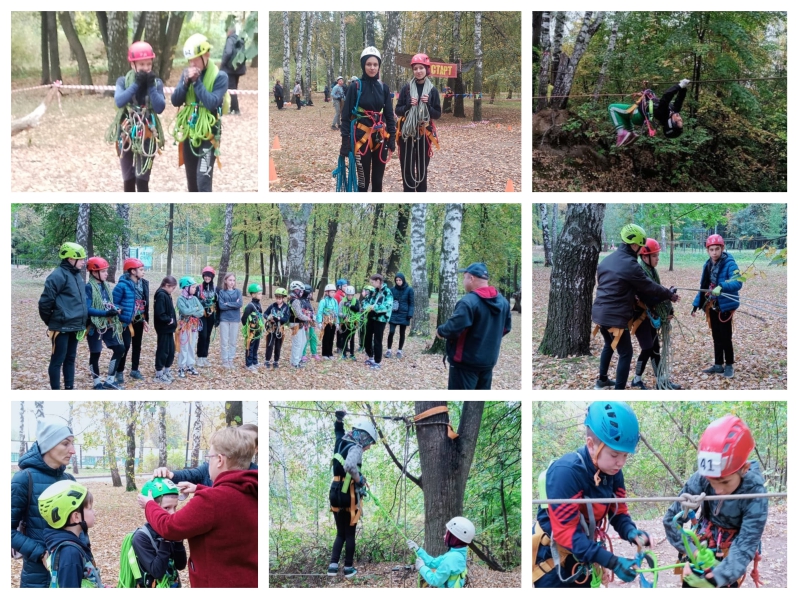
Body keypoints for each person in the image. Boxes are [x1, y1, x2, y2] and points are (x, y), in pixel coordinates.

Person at [532, 401, 648, 587]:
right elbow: (566, 533)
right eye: (615, 454)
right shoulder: (566, 472)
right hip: (553, 560)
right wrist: (612, 561)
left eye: (625, 456)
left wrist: (631, 532)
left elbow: (618, 513)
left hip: (584, 555)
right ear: (591, 445)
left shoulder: (613, 472)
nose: (620, 463)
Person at [137, 427, 258, 588]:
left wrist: (150, 505)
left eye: (210, 458)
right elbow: (230, 502)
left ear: (220, 460)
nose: (209, 463)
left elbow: (169, 527)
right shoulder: (253, 491)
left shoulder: (211, 501)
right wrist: (199, 488)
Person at [663, 416, 766, 588]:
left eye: (725, 482)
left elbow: (747, 541)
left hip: (731, 555)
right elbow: (671, 519)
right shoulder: (702, 477)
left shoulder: (755, 490)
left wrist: (718, 577)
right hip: (702, 545)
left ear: (744, 468)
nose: (717, 490)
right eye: (712, 482)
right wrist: (692, 550)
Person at [592, 224, 680, 390]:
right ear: (633, 245)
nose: (640, 250)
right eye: (640, 246)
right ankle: (619, 391)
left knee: (608, 346)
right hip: (615, 317)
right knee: (626, 353)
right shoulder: (630, 265)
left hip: (599, 313)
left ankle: (602, 380)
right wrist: (669, 294)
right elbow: (649, 286)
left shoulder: (607, 260)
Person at [11, 419, 78, 587]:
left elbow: (79, 525)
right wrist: (41, 554)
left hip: (71, 571)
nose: (73, 451)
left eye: (72, 444)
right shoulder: (24, 479)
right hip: (37, 578)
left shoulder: (70, 480)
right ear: (48, 445)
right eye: (65, 444)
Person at [436, 263, 512, 390]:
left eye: (464, 278)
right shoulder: (503, 302)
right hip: (487, 363)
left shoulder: (468, 302)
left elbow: (453, 329)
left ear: (471, 278)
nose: (463, 281)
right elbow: (505, 328)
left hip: (465, 365)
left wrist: (440, 331)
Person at [171, 33, 229, 192]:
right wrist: (184, 83)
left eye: (196, 59)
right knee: (192, 180)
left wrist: (197, 82)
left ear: (207, 55)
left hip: (208, 134)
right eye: (190, 60)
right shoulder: (186, 75)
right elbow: (175, 101)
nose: (192, 63)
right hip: (190, 131)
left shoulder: (220, 77)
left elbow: (212, 102)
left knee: (203, 179)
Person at [109, 41, 165, 192]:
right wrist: (136, 85)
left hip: (146, 133)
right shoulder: (123, 82)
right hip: (127, 132)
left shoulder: (156, 83)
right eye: (141, 65)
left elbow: (160, 107)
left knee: (142, 182)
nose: (146, 69)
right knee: (128, 181)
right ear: (133, 65)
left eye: (149, 64)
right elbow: (119, 101)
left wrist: (151, 87)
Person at [328, 412, 378, 579]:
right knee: (349, 533)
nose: (368, 446)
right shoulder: (355, 447)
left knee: (340, 533)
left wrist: (339, 420)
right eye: (369, 442)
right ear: (364, 436)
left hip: (334, 491)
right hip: (348, 493)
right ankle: (348, 568)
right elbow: (350, 465)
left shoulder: (341, 441)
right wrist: (360, 479)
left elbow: (338, 431)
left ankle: (333, 567)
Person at [339, 47, 397, 192]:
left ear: (379, 66)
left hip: (380, 137)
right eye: (369, 64)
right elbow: (345, 116)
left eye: (375, 64)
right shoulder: (355, 87)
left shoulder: (383, 88)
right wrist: (345, 141)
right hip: (361, 137)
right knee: (363, 183)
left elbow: (389, 114)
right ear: (363, 65)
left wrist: (392, 136)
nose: (372, 68)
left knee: (378, 182)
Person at [630, 239, 682, 390]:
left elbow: (657, 291)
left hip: (650, 316)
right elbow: (648, 297)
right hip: (641, 316)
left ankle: (660, 381)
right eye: (655, 256)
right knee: (647, 347)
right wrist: (667, 295)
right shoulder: (641, 273)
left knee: (654, 348)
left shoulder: (652, 271)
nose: (658, 259)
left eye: (658, 255)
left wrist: (667, 297)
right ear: (645, 257)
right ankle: (637, 379)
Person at [38, 242, 88, 390]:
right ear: (70, 259)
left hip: (75, 326)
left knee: (70, 359)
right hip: (61, 326)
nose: (84, 262)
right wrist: (53, 321)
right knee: (57, 360)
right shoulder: (57, 275)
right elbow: (45, 303)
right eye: (81, 259)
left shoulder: (77, 276)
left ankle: (69, 388)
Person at [691, 234, 742, 379]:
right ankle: (718, 364)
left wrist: (722, 286)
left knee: (726, 337)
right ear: (708, 250)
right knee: (716, 336)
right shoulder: (707, 265)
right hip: (712, 305)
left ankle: (729, 365)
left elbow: (738, 282)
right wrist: (696, 304)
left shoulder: (730, 263)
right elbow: (704, 287)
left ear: (722, 248)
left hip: (725, 306)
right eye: (711, 249)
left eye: (717, 249)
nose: (714, 252)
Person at [40, 481, 103, 588]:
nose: (94, 512)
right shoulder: (70, 554)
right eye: (90, 508)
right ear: (76, 517)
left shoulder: (70, 546)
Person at [153, 424, 258, 488]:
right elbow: (191, 474)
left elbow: (227, 498)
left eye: (247, 440)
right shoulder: (209, 466)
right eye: (238, 437)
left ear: (256, 449)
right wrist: (170, 475)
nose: (241, 442)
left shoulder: (254, 479)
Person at [395, 53, 442, 192]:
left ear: (426, 69)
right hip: (407, 133)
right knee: (407, 167)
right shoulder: (407, 88)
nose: (418, 71)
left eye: (421, 68)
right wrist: (408, 105)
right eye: (415, 68)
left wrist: (427, 106)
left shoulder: (432, 91)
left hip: (424, 133)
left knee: (422, 169)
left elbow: (437, 114)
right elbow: (397, 110)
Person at [129, 479, 187, 587]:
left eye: (175, 507)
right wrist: (166, 540)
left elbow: (180, 565)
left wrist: (178, 542)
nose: (173, 513)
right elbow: (157, 572)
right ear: (152, 509)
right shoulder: (141, 538)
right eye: (166, 508)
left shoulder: (171, 529)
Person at [609, 79, 690, 147]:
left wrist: (679, 85)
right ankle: (631, 133)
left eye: (678, 121)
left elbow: (667, 96)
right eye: (681, 121)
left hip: (637, 114)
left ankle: (621, 133)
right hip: (639, 115)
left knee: (612, 108)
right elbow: (680, 99)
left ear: (670, 123)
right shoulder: (674, 111)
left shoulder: (662, 113)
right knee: (624, 116)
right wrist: (683, 88)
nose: (680, 118)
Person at [84, 256, 124, 390]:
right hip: (94, 326)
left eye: (106, 271)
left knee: (120, 349)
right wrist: (105, 313)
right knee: (95, 353)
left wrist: (115, 309)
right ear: (94, 273)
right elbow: (88, 309)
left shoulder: (105, 286)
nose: (107, 273)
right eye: (103, 271)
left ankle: (110, 380)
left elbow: (107, 303)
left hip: (108, 324)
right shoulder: (89, 288)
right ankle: (96, 383)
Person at [408, 517, 473, 588]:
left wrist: (422, 568)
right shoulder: (458, 554)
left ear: (454, 538)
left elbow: (435, 580)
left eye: (447, 534)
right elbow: (432, 562)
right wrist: (418, 549)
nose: (444, 536)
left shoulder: (451, 558)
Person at [114, 257, 149, 386]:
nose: (143, 272)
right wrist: (121, 311)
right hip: (126, 321)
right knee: (125, 346)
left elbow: (145, 301)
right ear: (133, 271)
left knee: (137, 346)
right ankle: (119, 371)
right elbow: (115, 302)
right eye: (141, 269)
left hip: (139, 318)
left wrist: (144, 318)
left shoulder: (143, 283)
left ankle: (134, 370)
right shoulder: (122, 285)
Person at [362, 274, 393, 370]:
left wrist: (374, 307)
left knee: (377, 340)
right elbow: (365, 302)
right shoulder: (373, 292)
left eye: (373, 282)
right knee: (367, 337)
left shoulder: (388, 292)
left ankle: (377, 361)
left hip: (381, 320)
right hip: (371, 318)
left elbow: (387, 306)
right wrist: (367, 307)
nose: (372, 284)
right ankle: (370, 356)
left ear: (378, 281)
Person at [176, 277, 204, 378]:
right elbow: (185, 312)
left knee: (192, 346)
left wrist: (192, 310)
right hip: (184, 326)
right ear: (186, 288)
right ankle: (181, 367)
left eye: (195, 287)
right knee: (184, 346)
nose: (195, 289)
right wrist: (194, 309)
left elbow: (201, 311)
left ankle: (190, 365)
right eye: (193, 287)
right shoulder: (180, 299)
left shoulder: (195, 298)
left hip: (193, 326)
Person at [153, 276, 178, 384]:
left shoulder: (167, 295)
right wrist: (169, 320)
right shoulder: (161, 295)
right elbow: (160, 313)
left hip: (169, 329)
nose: (173, 290)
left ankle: (166, 370)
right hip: (163, 328)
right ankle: (159, 373)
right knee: (163, 350)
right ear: (167, 285)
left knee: (171, 350)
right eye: (172, 288)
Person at [217, 273, 243, 369]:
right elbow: (221, 306)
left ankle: (231, 359)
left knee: (232, 341)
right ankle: (225, 360)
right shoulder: (222, 292)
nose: (232, 282)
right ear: (225, 281)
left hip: (235, 319)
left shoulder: (238, 292)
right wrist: (233, 304)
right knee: (224, 341)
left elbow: (239, 304)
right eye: (230, 280)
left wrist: (227, 303)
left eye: (233, 280)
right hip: (224, 319)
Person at [386, 272, 414, 358]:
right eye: (396, 280)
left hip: (404, 314)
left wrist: (410, 314)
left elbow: (411, 303)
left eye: (400, 280)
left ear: (403, 280)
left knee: (402, 333)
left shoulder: (409, 290)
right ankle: (389, 350)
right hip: (393, 314)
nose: (398, 281)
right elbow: (388, 302)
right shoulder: (392, 290)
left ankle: (399, 350)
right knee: (391, 332)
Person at [220, 24, 246, 116]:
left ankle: (235, 110)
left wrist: (222, 64)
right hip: (238, 69)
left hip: (229, 69)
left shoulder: (230, 39)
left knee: (231, 89)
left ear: (230, 31)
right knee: (234, 89)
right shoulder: (240, 40)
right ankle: (233, 109)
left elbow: (228, 52)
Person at [263, 288, 291, 369]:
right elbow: (265, 313)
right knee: (269, 344)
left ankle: (276, 361)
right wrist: (268, 318)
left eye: (280, 298)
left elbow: (286, 318)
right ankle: (267, 360)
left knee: (278, 346)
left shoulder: (286, 308)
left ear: (283, 298)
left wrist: (278, 319)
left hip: (280, 329)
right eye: (277, 298)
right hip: (271, 328)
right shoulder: (272, 306)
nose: (278, 300)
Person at [196, 266, 217, 368]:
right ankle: (199, 356)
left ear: (212, 277)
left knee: (208, 336)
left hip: (211, 314)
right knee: (202, 335)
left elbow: (218, 303)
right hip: (202, 315)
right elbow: (195, 301)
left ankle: (205, 356)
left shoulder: (216, 289)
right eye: (205, 275)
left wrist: (218, 318)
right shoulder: (199, 288)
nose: (207, 277)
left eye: (209, 276)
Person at [288, 281, 313, 368]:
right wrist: (308, 318)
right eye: (301, 291)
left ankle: (297, 360)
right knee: (298, 343)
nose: (302, 293)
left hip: (299, 323)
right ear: (296, 290)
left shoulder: (295, 300)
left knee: (303, 341)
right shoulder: (294, 301)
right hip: (295, 323)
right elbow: (299, 314)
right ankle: (295, 362)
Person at [241, 283, 264, 372]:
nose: (260, 295)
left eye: (261, 293)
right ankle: (249, 364)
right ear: (253, 294)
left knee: (256, 346)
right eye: (259, 293)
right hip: (251, 331)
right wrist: (249, 327)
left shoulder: (259, 304)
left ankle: (255, 361)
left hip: (257, 330)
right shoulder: (250, 306)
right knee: (249, 346)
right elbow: (243, 319)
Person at [317, 284, 340, 359]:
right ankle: (325, 353)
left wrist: (337, 323)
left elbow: (336, 312)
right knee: (326, 337)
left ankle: (330, 353)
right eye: (331, 292)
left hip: (333, 321)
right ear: (327, 292)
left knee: (331, 337)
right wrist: (319, 322)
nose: (333, 294)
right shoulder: (323, 301)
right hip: (326, 322)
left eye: (334, 292)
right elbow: (320, 312)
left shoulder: (335, 301)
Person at [339, 285, 361, 360]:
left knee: (352, 338)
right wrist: (344, 316)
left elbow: (357, 309)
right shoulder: (342, 302)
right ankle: (344, 353)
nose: (350, 297)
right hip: (345, 323)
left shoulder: (356, 301)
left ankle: (352, 354)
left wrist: (350, 306)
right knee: (344, 338)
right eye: (348, 295)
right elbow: (339, 312)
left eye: (351, 295)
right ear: (346, 294)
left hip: (353, 322)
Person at [302, 283, 320, 361]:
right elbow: (303, 312)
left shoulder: (308, 301)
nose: (312, 294)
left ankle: (314, 353)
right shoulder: (302, 302)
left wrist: (314, 316)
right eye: (311, 293)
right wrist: (311, 316)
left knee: (313, 337)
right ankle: (303, 354)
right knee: (305, 338)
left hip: (311, 322)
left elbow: (311, 311)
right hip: (305, 323)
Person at [333, 278, 348, 352]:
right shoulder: (337, 295)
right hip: (340, 317)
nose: (346, 287)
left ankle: (345, 346)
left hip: (345, 316)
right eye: (344, 286)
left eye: (346, 285)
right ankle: (339, 347)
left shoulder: (344, 294)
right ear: (340, 286)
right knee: (340, 332)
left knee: (345, 332)